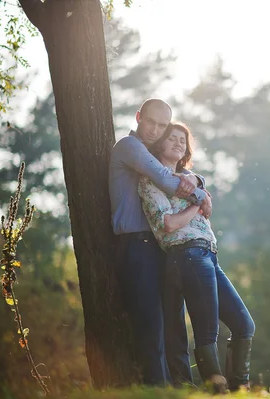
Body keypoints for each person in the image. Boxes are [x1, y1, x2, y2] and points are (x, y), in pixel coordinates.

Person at [138, 122, 255, 392]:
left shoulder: (191, 179)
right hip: (186, 253)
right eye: (172, 138)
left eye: (183, 139)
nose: (179, 143)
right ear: (160, 144)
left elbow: (205, 204)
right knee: (207, 333)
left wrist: (198, 193)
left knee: (244, 324)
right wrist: (195, 203)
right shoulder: (150, 180)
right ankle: (219, 392)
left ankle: (240, 391)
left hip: (209, 255)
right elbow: (167, 224)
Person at [109, 99, 210, 386]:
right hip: (136, 247)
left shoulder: (151, 156)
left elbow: (177, 175)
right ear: (139, 117)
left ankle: (182, 389)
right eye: (150, 122)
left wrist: (198, 183)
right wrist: (203, 197)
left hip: (160, 247)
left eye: (162, 125)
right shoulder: (129, 147)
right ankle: (158, 391)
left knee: (174, 327)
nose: (155, 129)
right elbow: (166, 181)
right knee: (151, 329)